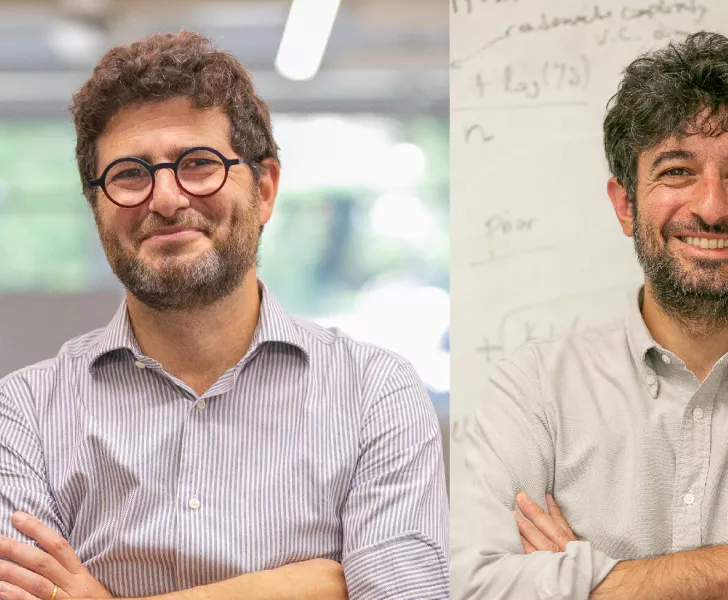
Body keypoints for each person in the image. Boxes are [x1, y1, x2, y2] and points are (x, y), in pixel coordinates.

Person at [451, 31, 728, 599]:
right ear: (625, 206)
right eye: (676, 171)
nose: (711, 208)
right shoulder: (535, 390)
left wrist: (587, 582)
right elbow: (475, 588)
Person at [0, 31, 449, 600]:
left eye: (199, 163)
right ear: (97, 207)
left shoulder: (375, 393)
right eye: (130, 175)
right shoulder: (23, 414)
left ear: (264, 189)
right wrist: (320, 584)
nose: (164, 199)